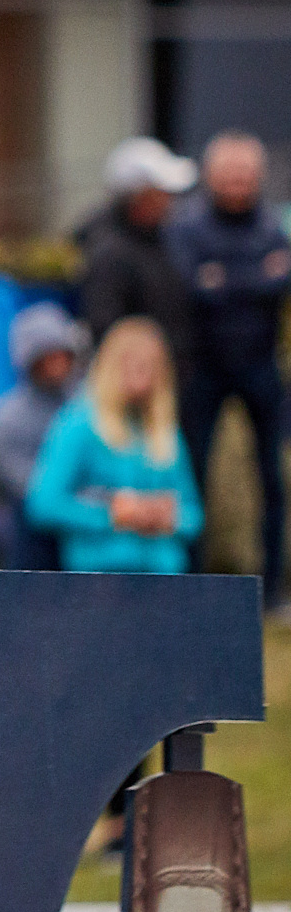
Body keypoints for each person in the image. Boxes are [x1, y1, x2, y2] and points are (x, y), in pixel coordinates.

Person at [166, 132, 289, 596]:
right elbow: (192, 287)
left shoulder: (272, 223)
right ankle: (194, 582)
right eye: (230, 174)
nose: (238, 184)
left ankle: (273, 587)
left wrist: (222, 280)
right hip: (204, 369)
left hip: (260, 366)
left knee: (271, 480)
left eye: (246, 175)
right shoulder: (188, 225)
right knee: (193, 475)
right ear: (211, 176)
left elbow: (274, 279)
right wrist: (259, 277)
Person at [25, 317, 201, 575]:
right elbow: (44, 504)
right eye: (132, 364)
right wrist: (113, 515)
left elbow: (193, 515)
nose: (142, 375)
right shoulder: (79, 424)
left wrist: (167, 518)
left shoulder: (164, 431)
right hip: (99, 578)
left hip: (164, 579)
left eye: (150, 367)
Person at [0, 301, 87, 570]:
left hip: (88, 532)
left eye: (61, 354)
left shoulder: (88, 407)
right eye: (47, 356)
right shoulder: (2, 421)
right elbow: (27, 488)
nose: (57, 364)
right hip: (31, 530)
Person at [75, 137, 197, 367]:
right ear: (138, 197)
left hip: (170, 376)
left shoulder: (165, 239)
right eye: (160, 192)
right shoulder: (109, 253)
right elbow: (105, 328)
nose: (169, 201)